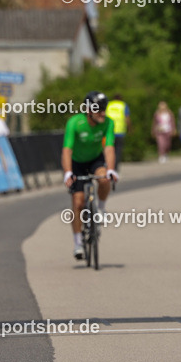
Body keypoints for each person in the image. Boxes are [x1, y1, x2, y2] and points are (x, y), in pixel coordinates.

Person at [62, 91, 119, 260]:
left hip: (95, 159)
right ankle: (78, 243)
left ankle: (100, 209)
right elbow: (67, 149)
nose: (103, 113)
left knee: (103, 178)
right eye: (98, 109)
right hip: (76, 163)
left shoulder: (108, 123)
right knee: (78, 202)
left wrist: (110, 169)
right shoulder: (75, 123)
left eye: (104, 109)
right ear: (88, 110)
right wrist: (67, 173)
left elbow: (109, 147)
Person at [105, 93, 131, 171]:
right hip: (120, 131)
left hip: (108, 131)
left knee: (108, 149)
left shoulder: (108, 105)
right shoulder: (123, 105)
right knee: (118, 151)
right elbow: (127, 118)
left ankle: (108, 165)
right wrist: (130, 128)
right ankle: (115, 167)